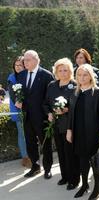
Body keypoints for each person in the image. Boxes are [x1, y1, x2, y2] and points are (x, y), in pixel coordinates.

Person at [66, 64, 99, 199]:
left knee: (95, 161)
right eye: (79, 75)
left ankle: (97, 187)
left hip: (93, 132)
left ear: (90, 76)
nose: (82, 78)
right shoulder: (75, 92)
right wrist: (69, 130)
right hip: (78, 132)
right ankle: (84, 185)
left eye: (85, 75)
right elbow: (71, 113)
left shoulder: (98, 92)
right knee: (82, 160)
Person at [15, 50, 54, 179]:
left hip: (42, 117)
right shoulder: (21, 75)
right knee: (30, 143)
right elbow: (19, 93)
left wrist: (49, 113)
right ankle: (35, 166)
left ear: (37, 60)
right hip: (27, 116)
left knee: (45, 143)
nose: (24, 62)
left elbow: (50, 98)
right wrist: (18, 100)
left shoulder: (46, 75)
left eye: (28, 60)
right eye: (24, 60)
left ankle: (48, 168)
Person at [43, 58, 80, 190]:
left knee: (70, 153)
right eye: (60, 70)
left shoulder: (75, 85)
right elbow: (46, 103)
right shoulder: (52, 85)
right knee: (61, 152)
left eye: (66, 70)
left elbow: (79, 107)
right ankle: (64, 176)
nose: (63, 73)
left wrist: (67, 109)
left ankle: (74, 179)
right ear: (56, 72)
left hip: (70, 125)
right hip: (57, 126)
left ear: (70, 71)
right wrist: (49, 113)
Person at [7, 56, 31, 168]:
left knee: (31, 134)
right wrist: (18, 102)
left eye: (20, 65)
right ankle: (25, 157)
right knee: (22, 134)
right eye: (16, 65)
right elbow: (12, 94)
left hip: (30, 110)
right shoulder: (12, 77)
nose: (17, 67)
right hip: (18, 110)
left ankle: (32, 155)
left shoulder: (28, 75)